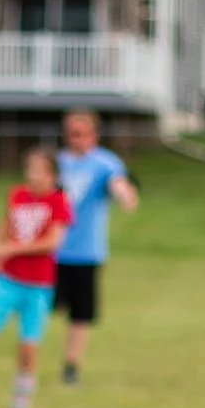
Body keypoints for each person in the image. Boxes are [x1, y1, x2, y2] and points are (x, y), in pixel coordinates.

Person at [0, 146, 73, 408]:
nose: (34, 175)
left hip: (38, 289)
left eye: (40, 170)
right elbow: (3, 228)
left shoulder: (59, 202)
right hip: (7, 282)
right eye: (31, 169)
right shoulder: (17, 196)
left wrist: (14, 248)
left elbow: (53, 242)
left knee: (27, 353)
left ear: (52, 174)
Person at [52, 109, 139, 385]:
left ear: (93, 135)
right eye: (70, 134)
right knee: (42, 304)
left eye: (80, 134)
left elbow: (118, 183)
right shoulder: (58, 162)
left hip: (86, 252)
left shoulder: (105, 163)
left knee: (80, 314)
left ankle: (71, 365)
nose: (74, 139)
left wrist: (125, 195)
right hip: (53, 249)